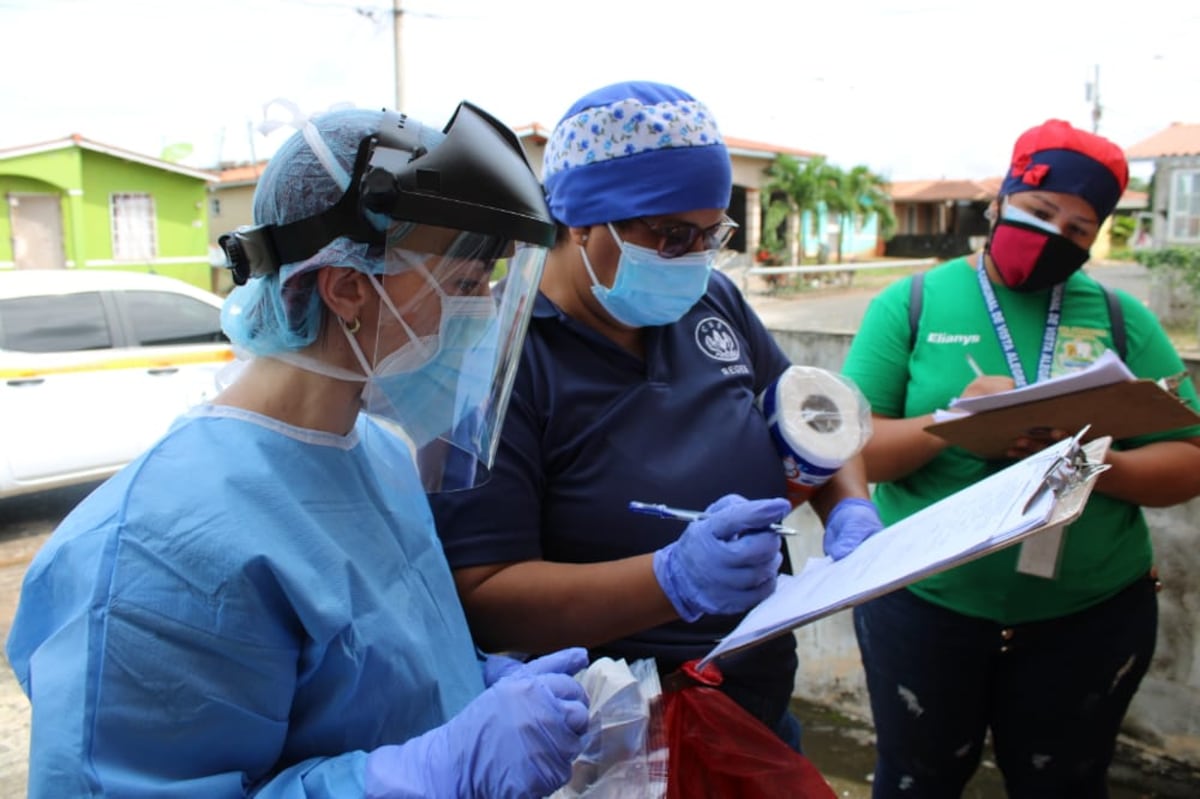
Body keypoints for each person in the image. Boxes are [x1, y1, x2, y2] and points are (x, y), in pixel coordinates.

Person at [5, 103, 592, 798]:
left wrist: (469, 683)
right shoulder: (153, 549)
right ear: (346, 287)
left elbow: (384, 670)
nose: (483, 316)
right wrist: (424, 771)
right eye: (463, 286)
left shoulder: (372, 452)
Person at [428, 80, 884, 750]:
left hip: (752, 692)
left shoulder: (711, 305)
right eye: (672, 236)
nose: (696, 259)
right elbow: (487, 595)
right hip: (613, 728)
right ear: (581, 220)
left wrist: (849, 506)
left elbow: (813, 413)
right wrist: (671, 580)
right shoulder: (496, 356)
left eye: (711, 234)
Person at [842, 119, 1200, 797]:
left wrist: (1095, 463)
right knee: (917, 779)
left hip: (1087, 618)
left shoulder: (1124, 322)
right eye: (1039, 212)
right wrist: (951, 423)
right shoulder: (912, 304)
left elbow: (1187, 460)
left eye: (1077, 228)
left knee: (1064, 783)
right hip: (925, 606)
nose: (1054, 236)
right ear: (1001, 200)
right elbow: (854, 454)